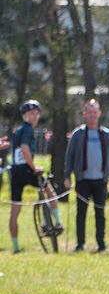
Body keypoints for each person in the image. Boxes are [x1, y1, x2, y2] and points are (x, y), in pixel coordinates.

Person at [9, 99, 63, 253]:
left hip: (15, 171)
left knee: (15, 210)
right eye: (30, 114)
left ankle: (15, 247)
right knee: (50, 191)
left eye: (36, 113)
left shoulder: (18, 131)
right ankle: (58, 222)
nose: (34, 116)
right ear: (25, 116)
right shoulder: (27, 130)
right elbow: (25, 149)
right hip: (26, 169)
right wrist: (34, 167)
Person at [64, 98, 109, 252]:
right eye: (89, 112)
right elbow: (69, 156)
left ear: (99, 114)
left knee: (100, 213)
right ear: (84, 114)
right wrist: (67, 176)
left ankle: (101, 244)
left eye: (95, 112)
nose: (92, 115)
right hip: (83, 180)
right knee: (81, 213)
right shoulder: (78, 134)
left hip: (100, 180)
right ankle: (80, 244)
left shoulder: (105, 134)